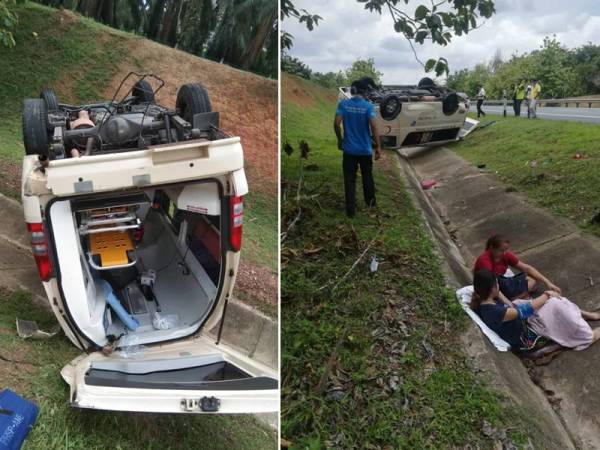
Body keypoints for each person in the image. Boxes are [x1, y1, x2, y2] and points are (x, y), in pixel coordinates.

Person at [471, 269, 600, 351]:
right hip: (527, 338)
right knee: (554, 303)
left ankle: (582, 315)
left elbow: (505, 301)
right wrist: (547, 294)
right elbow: (525, 311)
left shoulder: (483, 302)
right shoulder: (495, 312)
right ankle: (587, 335)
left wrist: (507, 300)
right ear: (492, 289)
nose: (499, 286)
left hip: (522, 323)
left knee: (550, 303)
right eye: (497, 284)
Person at [333, 78, 381, 218]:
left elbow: (336, 124)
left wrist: (340, 140)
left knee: (349, 179)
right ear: (365, 92)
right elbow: (373, 127)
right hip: (365, 150)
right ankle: (371, 203)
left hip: (349, 150)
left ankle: (350, 211)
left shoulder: (343, 104)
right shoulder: (368, 107)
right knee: (367, 176)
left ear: (353, 91)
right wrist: (378, 146)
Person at [474, 234, 560, 301]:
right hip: (492, 289)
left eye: (506, 249)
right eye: (501, 250)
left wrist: (548, 282)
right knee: (531, 284)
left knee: (533, 279)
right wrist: (506, 302)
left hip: (502, 283)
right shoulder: (484, 261)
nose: (504, 253)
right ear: (491, 248)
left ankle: (518, 296)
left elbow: (527, 268)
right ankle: (517, 297)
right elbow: (490, 285)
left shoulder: (505, 255)